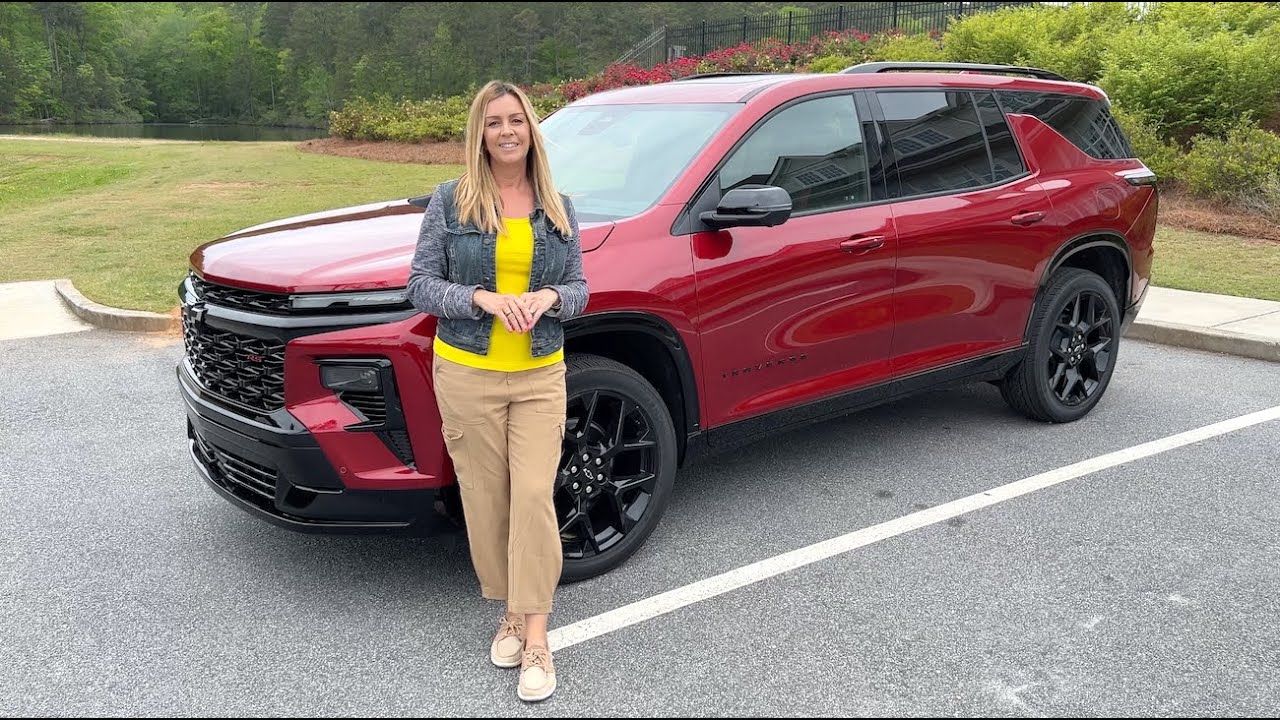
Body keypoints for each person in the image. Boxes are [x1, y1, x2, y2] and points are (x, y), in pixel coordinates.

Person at [405, 80, 588, 703]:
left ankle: (535, 634)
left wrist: (551, 296)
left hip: (540, 373)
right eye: (493, 122)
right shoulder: (451, 201)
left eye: (515, 120)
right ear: (479, 134)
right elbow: (420, 285)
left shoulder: (558, 206)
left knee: (534, 495)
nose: (506, 131)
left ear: (531, 129)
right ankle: (511, 609)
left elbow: (581, 288)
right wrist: (481, 298)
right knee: (487, 501)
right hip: (467, 372)